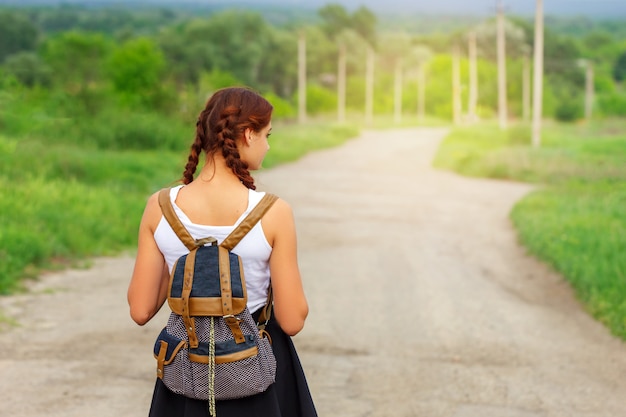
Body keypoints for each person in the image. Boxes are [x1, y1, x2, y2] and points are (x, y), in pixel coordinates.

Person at [127, 86, 317, 417]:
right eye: (266, 135)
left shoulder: (159, 208)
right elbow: (292, 320)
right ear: (247, 134)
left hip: (187, 377)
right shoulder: (274, 212)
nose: (268, 145)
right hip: (254, 375)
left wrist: (188, 267)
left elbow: (141, 309)